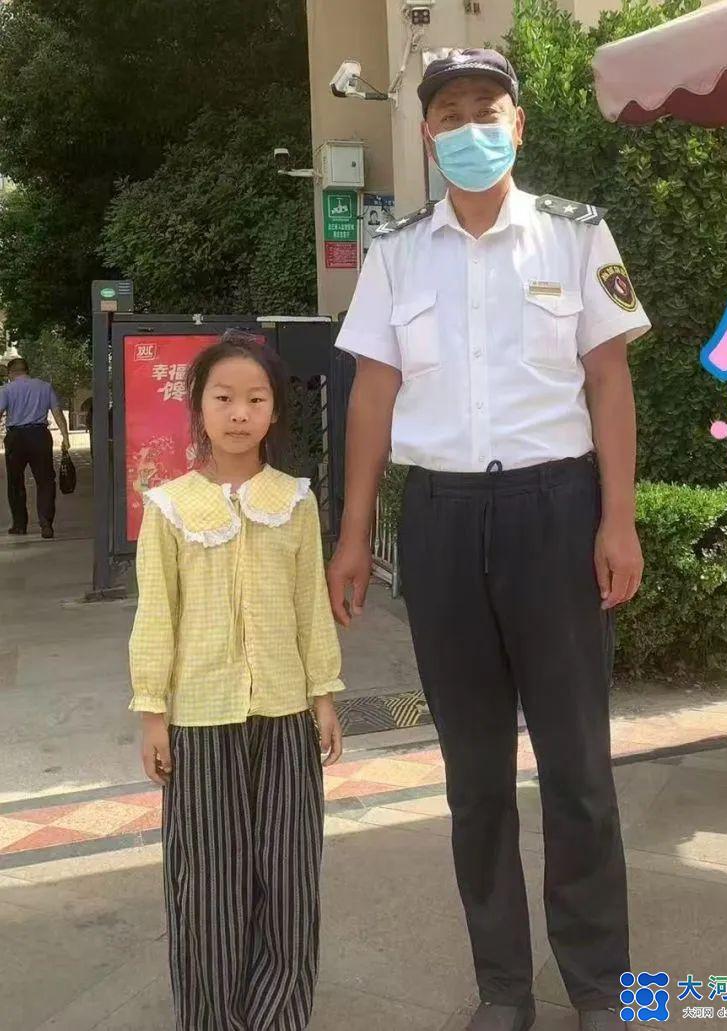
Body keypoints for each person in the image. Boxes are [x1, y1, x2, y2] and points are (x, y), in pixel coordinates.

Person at [328, 49, 651, 1031]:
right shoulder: (396, 254)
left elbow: (607, 381)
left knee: (577, 767)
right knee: (473, 778)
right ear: (427, 136)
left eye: (486, 108)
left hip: (556, 513)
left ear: (517, 125)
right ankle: (503, 986)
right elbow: (373, 395)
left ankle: (601, 983)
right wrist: (352, 535)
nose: (469, 126)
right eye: (450, 113)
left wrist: (617, 516)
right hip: (441, 520)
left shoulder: (573, 234)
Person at [129, 331, 344, 1031]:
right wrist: (152, 712)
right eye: (223, 398)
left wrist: (323, 695)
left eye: (256, 399)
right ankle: (212, 1016)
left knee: (287, 875)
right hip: (199, 719)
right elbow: (156, 615)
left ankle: (278, 1013)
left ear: (275, 410)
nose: (239, 413)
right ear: (199, 407)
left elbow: (310, 606)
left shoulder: (295, 502)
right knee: (208, 884)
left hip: (285, 714)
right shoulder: (169, 507)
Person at [0, 357, 70, 539]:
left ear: (11, 373)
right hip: (39, 436)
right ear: (27, 370)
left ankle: (19, 525)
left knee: (15, 482)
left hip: (16, 438)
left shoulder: (6, 390)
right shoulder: (45, 387)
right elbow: (57, 412)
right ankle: (46, 524)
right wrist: (65, 436)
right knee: (45, 480)